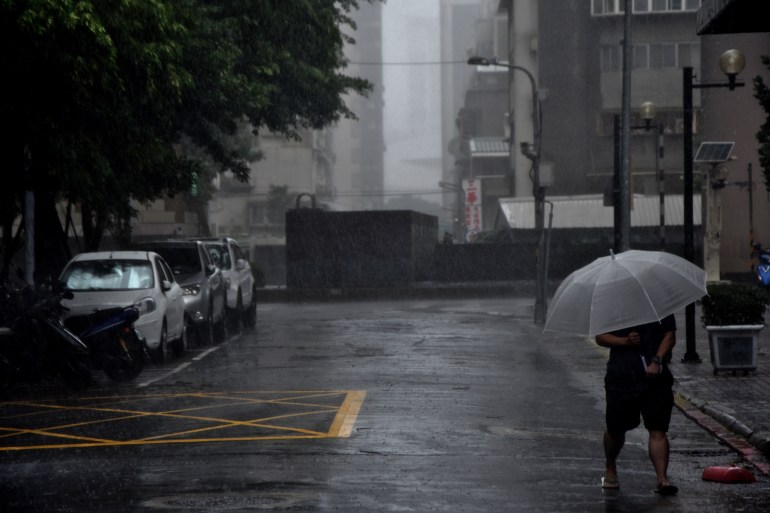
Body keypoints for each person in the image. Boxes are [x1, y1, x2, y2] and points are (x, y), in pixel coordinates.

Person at [595, 314, 679, 495]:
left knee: (658, 429)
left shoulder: (658, 303)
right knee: (616, 428)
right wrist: (625, 341)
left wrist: (657, 360)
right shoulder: (613, 304)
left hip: (655, 380)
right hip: (621, 377)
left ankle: (662, 479)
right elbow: (601, 337)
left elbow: (669, 335)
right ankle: (610, 467)